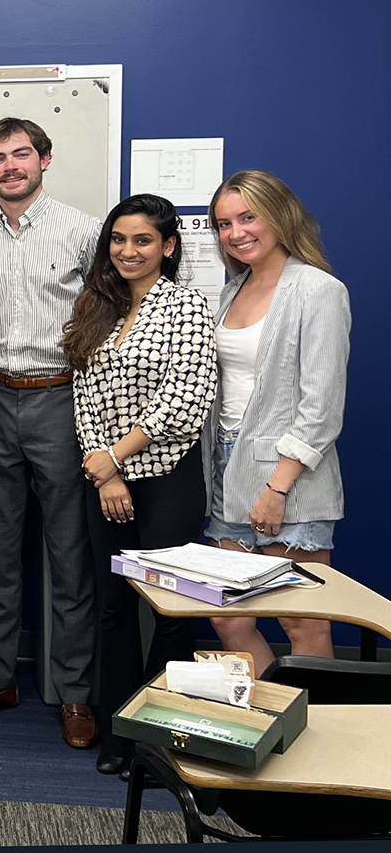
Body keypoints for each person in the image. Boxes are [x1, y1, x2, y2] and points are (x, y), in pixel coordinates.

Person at [0, 117, 102, 748]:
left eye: (21, 155)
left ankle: (73, 692)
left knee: (69, 553)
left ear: (44, 159)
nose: (9, 166)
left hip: (61, 398)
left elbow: (110, 307)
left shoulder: (84, 232)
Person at [59, 194, 216, 773]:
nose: (128, 251)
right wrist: (103, 470)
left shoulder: (188, 308)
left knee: (172, 611)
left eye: (142, 240)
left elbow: (185, 400)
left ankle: (160, 740)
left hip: (167, 479)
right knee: (113, 609)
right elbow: (84, 396)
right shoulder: (94, 308)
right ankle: (118, 737)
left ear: (167, 246)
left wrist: (116, 459)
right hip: (104, 483)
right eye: (118, 240)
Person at [204, 170, 350, 676]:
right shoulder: (229, 292)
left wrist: (278, 486)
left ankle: (319, 743)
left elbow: (322, 405)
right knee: (229, 618)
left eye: (248, 217)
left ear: (279, 215)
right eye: (224, 223)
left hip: (289, 478)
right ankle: (277, 719)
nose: (236, 232)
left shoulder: (319, 290)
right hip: (227, 469)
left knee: (303, 623)